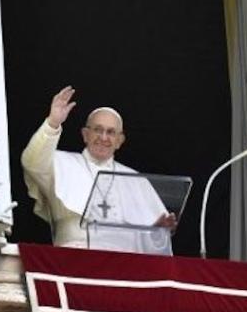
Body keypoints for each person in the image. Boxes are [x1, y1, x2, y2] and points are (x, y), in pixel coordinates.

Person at [21, 86, 177, 252]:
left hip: (126, 264)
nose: (103, 137)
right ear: (85, 135)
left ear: (120, 140)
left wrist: (155, 232)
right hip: (74, 256)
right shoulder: (61, 162)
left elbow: (150, 246)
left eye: (111, 132)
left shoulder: (137, 180)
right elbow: (32, 162)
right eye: (97, 130)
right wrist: (53, 123)